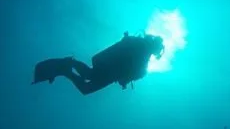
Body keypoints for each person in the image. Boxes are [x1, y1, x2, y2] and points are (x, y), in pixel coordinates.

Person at [32, 32, 164, 95]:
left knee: (87, 75)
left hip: (104, 62)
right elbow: (133, 72)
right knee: (86, 88)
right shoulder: (143, 54)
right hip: (110, 71)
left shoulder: (137, 43)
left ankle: (69, 64)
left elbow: (129, 66)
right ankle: (68, 68)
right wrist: (125, 80)